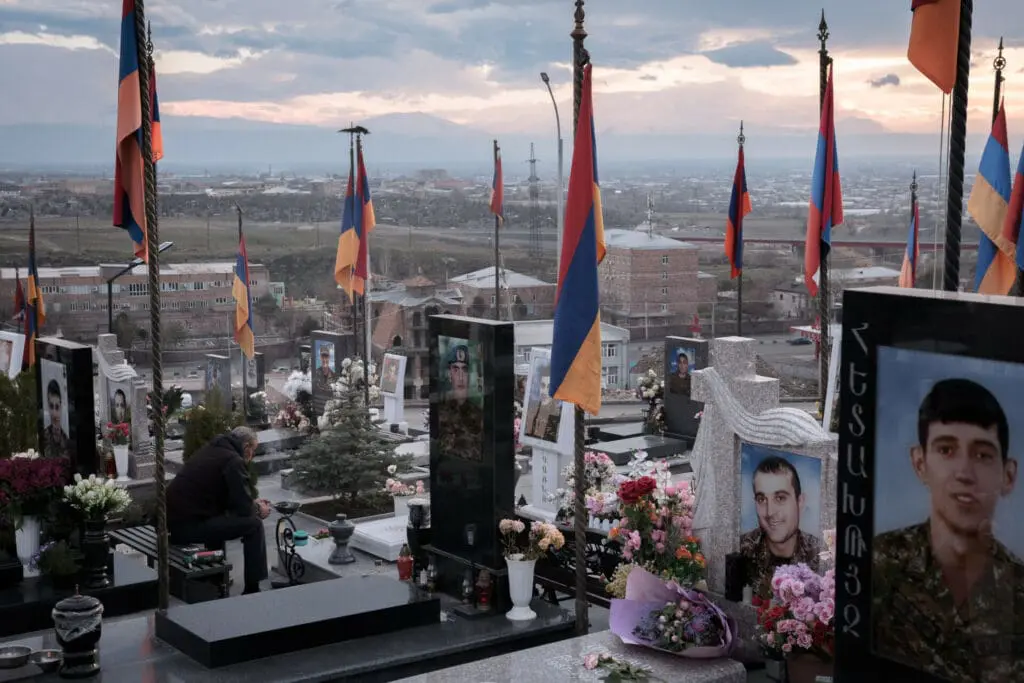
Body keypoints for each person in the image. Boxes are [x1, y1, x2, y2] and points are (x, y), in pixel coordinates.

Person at [872, 378, 1024, 682]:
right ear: (920, 463)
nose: (964, 473)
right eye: (946, 449)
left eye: (982, 455)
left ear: (1007, 475)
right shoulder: (878, 563)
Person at [167, 426, 272, 595]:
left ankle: (216, 577)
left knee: (219, 519)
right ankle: (253, 588)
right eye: (253, 450)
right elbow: (244, 509)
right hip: (185, 529)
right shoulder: (233, 460)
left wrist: (252, 502)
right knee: (254, 525)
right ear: (246, 448)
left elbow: (223, 496)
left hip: (175, 522)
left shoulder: (213, 449)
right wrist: (259, 508)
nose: (252, 456)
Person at [739, 455, 822, 598]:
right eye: (761, 499)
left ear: (800, 502)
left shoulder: (819, 554)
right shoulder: (743, 547)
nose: (770, 512)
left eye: (780, 498)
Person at [436, 344, 483, 460]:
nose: (461, 377)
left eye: (465, 370)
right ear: (449, 375)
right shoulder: (440, 412)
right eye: (456, 369)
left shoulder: (479, 414)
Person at [42, 379, 71, 459]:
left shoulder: (66, 439)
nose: (54, 413)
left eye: (57, 407)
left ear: (61, 407)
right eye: (51, 406)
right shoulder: (44, 436)